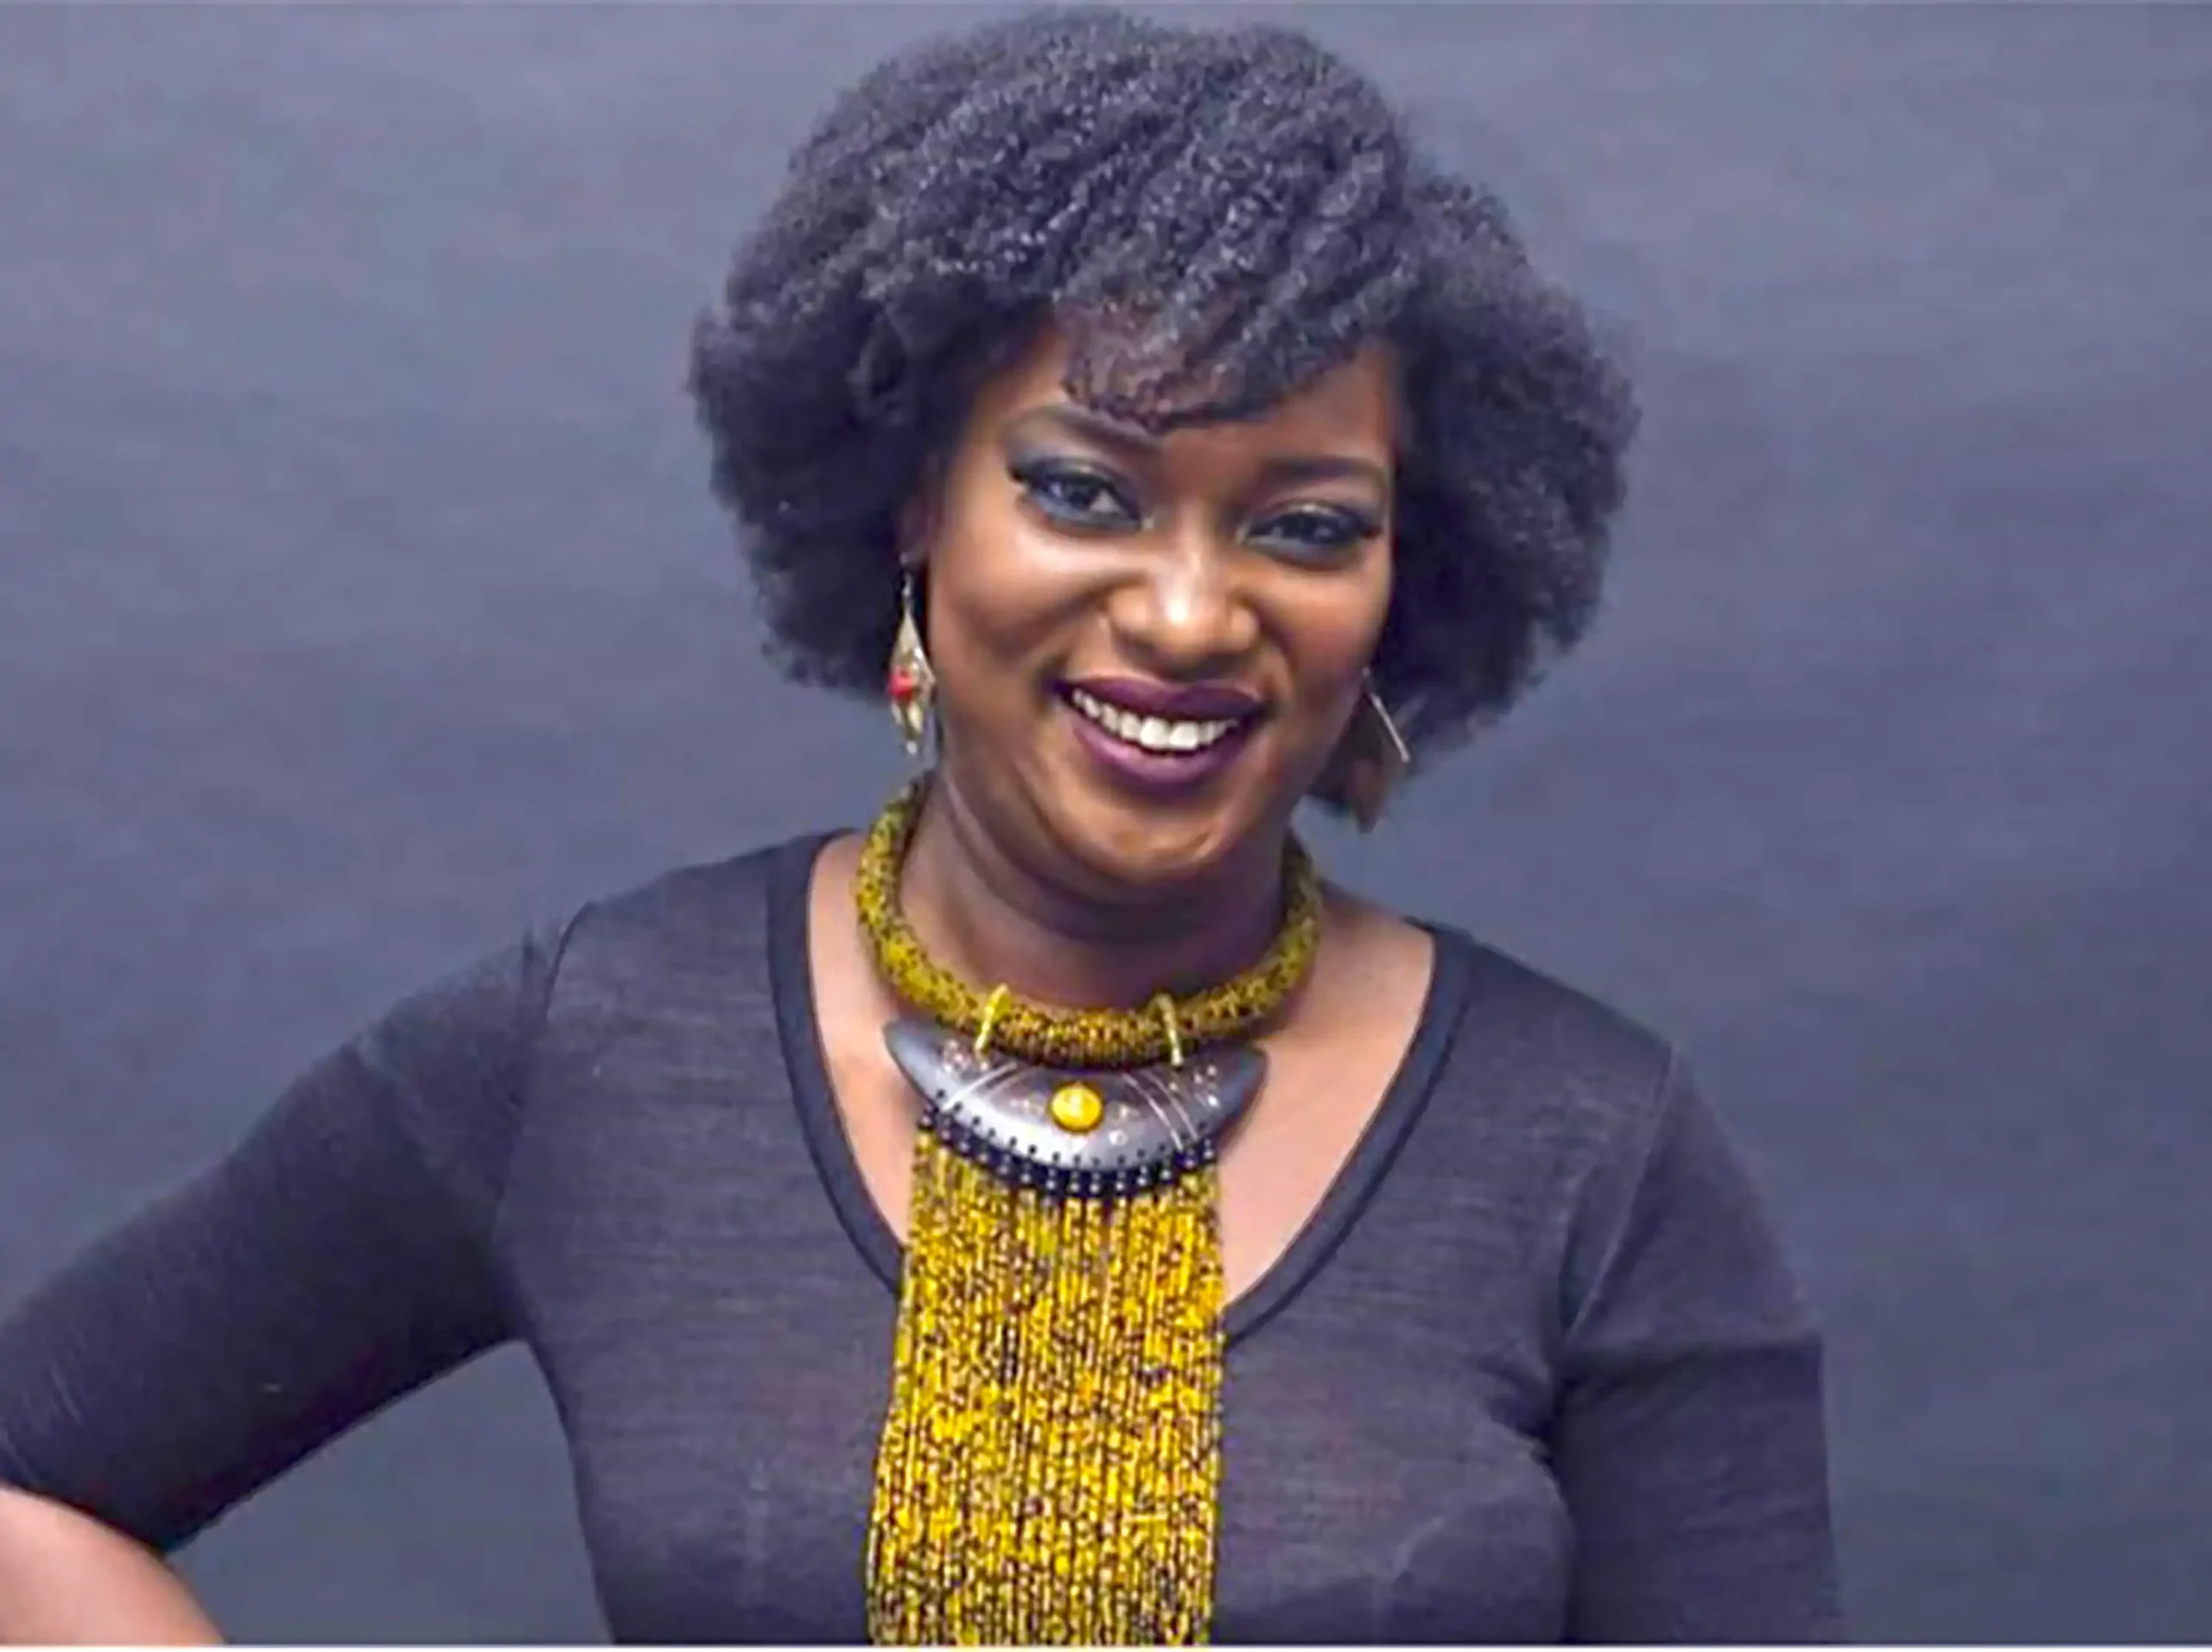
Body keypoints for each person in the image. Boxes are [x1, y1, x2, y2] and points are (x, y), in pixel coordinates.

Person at [0, 7, 1846, 1644]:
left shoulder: (1590, 1145)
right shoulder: (597, 1045)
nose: (1188, 613)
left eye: (1302, 525)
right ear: (914, 504)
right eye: (1083, 491)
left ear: (1402, 578)